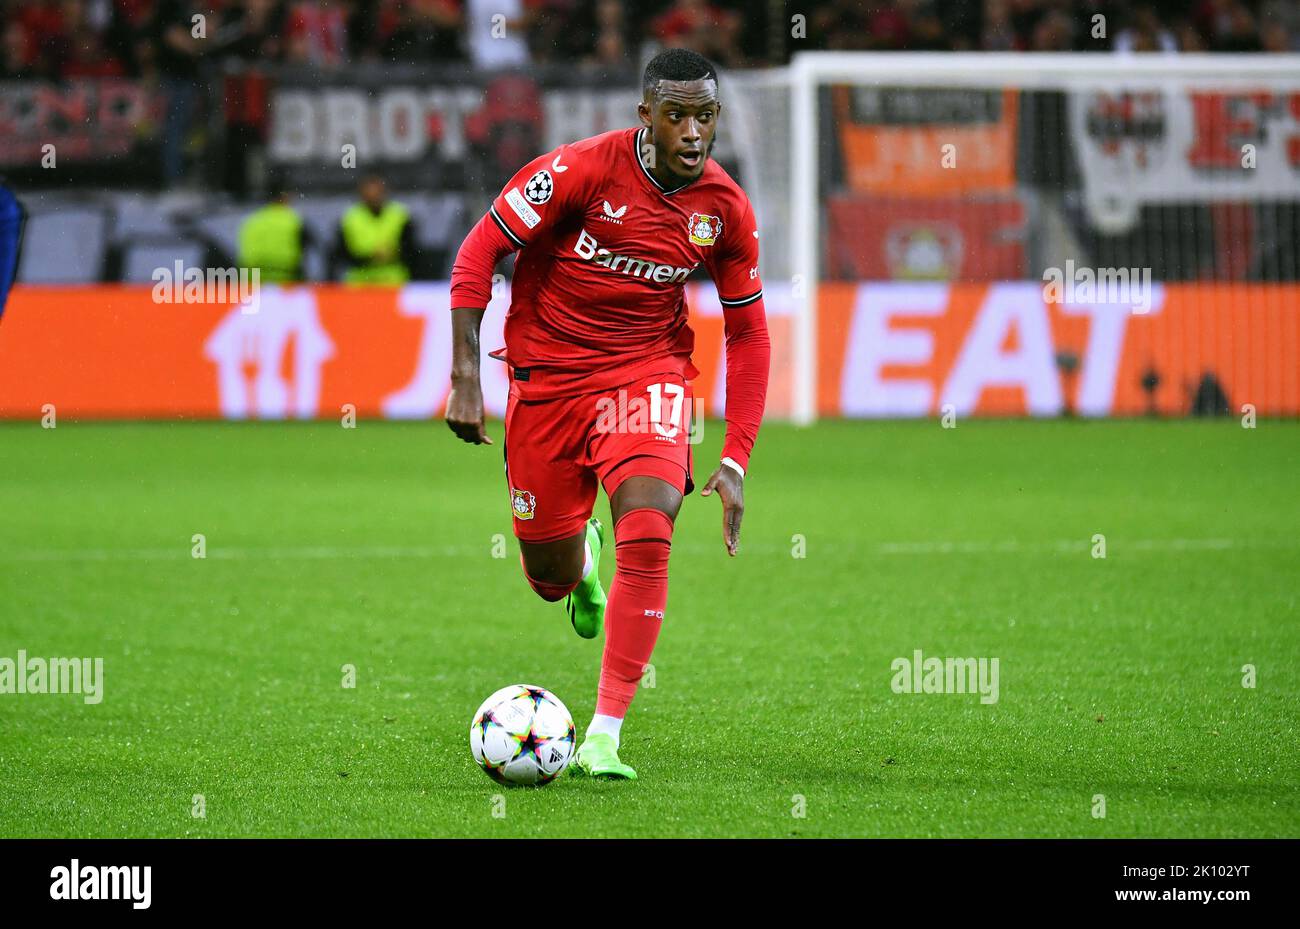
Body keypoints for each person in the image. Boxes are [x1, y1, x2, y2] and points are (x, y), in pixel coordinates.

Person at [446, 48, 770, 780]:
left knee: (652, 527)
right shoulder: (578, 172)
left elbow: (749, 333)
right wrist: (467, 377)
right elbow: (477, 255)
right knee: (549, 578)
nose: (694, 131)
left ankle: (604, 734)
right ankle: (579, 564)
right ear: (645, 118)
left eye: (706, 116)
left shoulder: (723, 209)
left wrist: (735, 457)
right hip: (548, 386)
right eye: (678, 114)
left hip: (646, 375)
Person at [334, 175, 417, 284]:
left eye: (377, 192)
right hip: (360, 283)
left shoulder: (400, 215)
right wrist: (371, 257)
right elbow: (341, 253)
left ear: (384, 192)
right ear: (362, 193)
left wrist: (394, 254)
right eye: (369, 192)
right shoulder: (350, 218)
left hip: (393, 282)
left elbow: (411, 249)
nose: (373, 196)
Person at [238, 179, 311, 283]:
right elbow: (306, 250)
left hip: (254, 280)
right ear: (285, 197)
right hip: (286, 278)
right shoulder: (294, 220)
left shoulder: (252, 221)